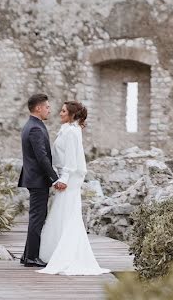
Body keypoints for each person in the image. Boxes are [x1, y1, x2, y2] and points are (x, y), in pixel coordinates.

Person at [37, 100, 110, 276]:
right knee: (64, 214)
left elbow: (71, 159)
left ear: (72, 115)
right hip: (67, 177)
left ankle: (67, 255)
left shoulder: (71, 132)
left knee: (67, 215)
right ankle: (57, 251)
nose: (59, 113)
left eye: (63, 111)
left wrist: (63, 179)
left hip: (69, 180)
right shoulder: (69, 130)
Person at [17, 92, 66, 268]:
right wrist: (54, 178)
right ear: (38, 108)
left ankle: (26, 256)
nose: (49, 110)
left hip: (34, 179)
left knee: (36, 217)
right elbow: (42, 157)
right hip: (38, 180)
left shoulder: (31, 125)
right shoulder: (36, 128)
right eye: (46, 107)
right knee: (38, 218)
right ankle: (31, 257)